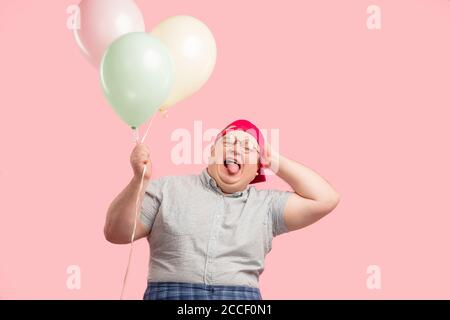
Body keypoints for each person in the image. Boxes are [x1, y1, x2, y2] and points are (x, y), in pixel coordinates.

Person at [104, 119, 340, 300]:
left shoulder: (267, 205)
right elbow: (116, 233)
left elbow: (325, 199)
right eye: (228, 142)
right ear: (212, 153)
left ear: (259, 166)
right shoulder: (166, 188)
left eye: (248, 146)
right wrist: (139, 181)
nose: (236, 147)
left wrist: (274, 159)